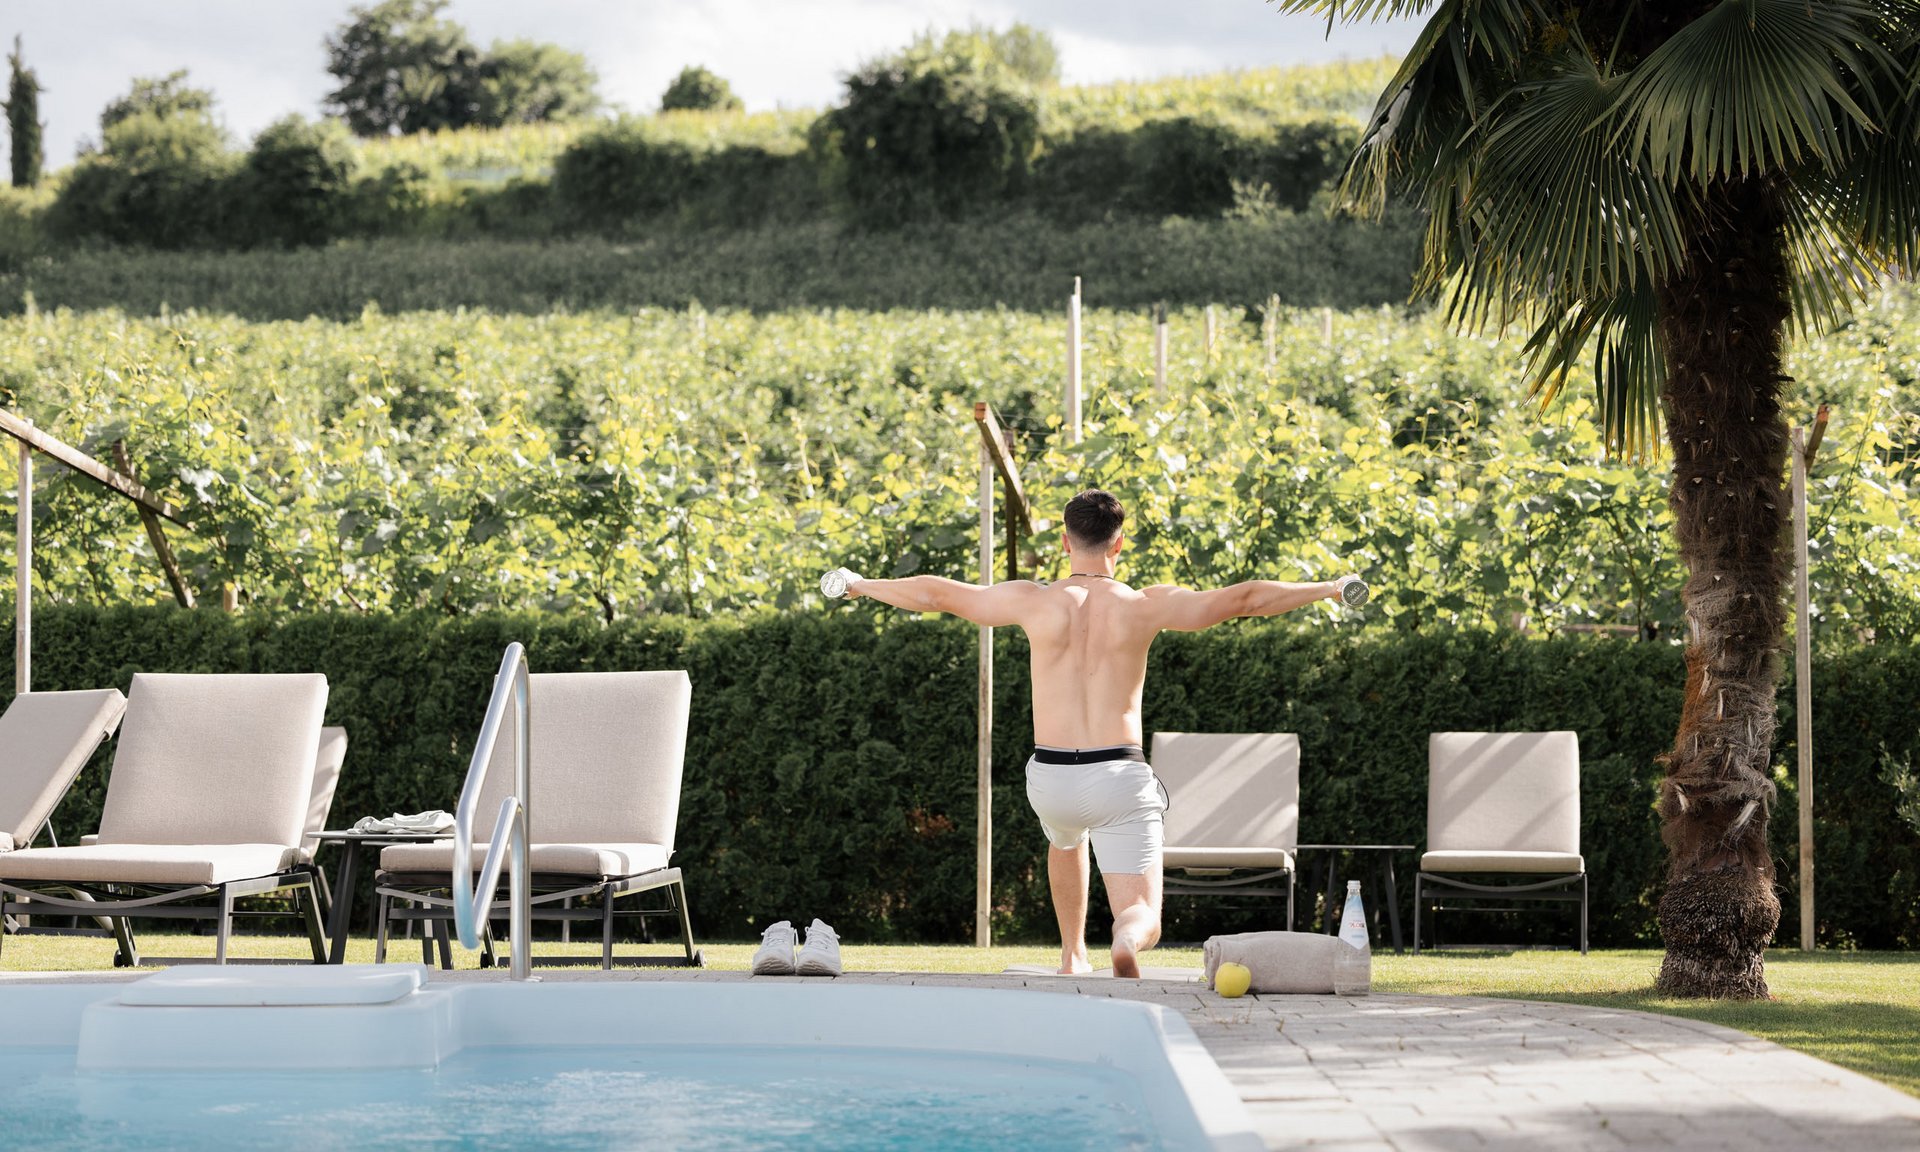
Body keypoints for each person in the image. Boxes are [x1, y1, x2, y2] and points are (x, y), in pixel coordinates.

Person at [838, 489, 1361, 977]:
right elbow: (1244, 598)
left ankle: (1072, 955)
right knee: (1140, 910)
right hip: (1117, 776)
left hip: (1050, 779)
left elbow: (936, 593)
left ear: (1065, 541)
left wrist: (859, 584)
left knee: (1065, 837)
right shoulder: (1144, 605)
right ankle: (1126, 940)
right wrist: (1330, 588)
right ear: (1120, 543)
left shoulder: (1033, 600)